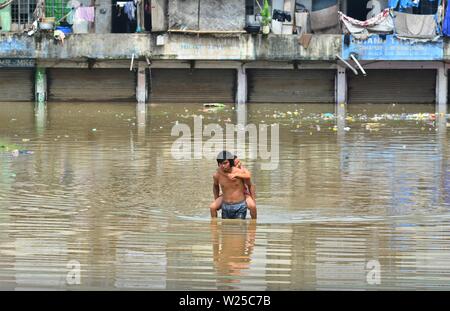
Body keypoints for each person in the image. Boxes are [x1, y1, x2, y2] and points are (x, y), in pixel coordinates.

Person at [210, 151, 257, 219]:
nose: (223, 166)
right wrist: (216, 198)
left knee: (253, 206)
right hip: (226, 203)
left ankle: (253, 225)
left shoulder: (240, 172)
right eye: (221, 164)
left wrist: (253, 200)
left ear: (231, 162)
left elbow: (250, 184)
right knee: (212, 207)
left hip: (241, 200)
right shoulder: (217, 175)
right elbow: (215, 186)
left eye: (225, 163)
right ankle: (214, 225)